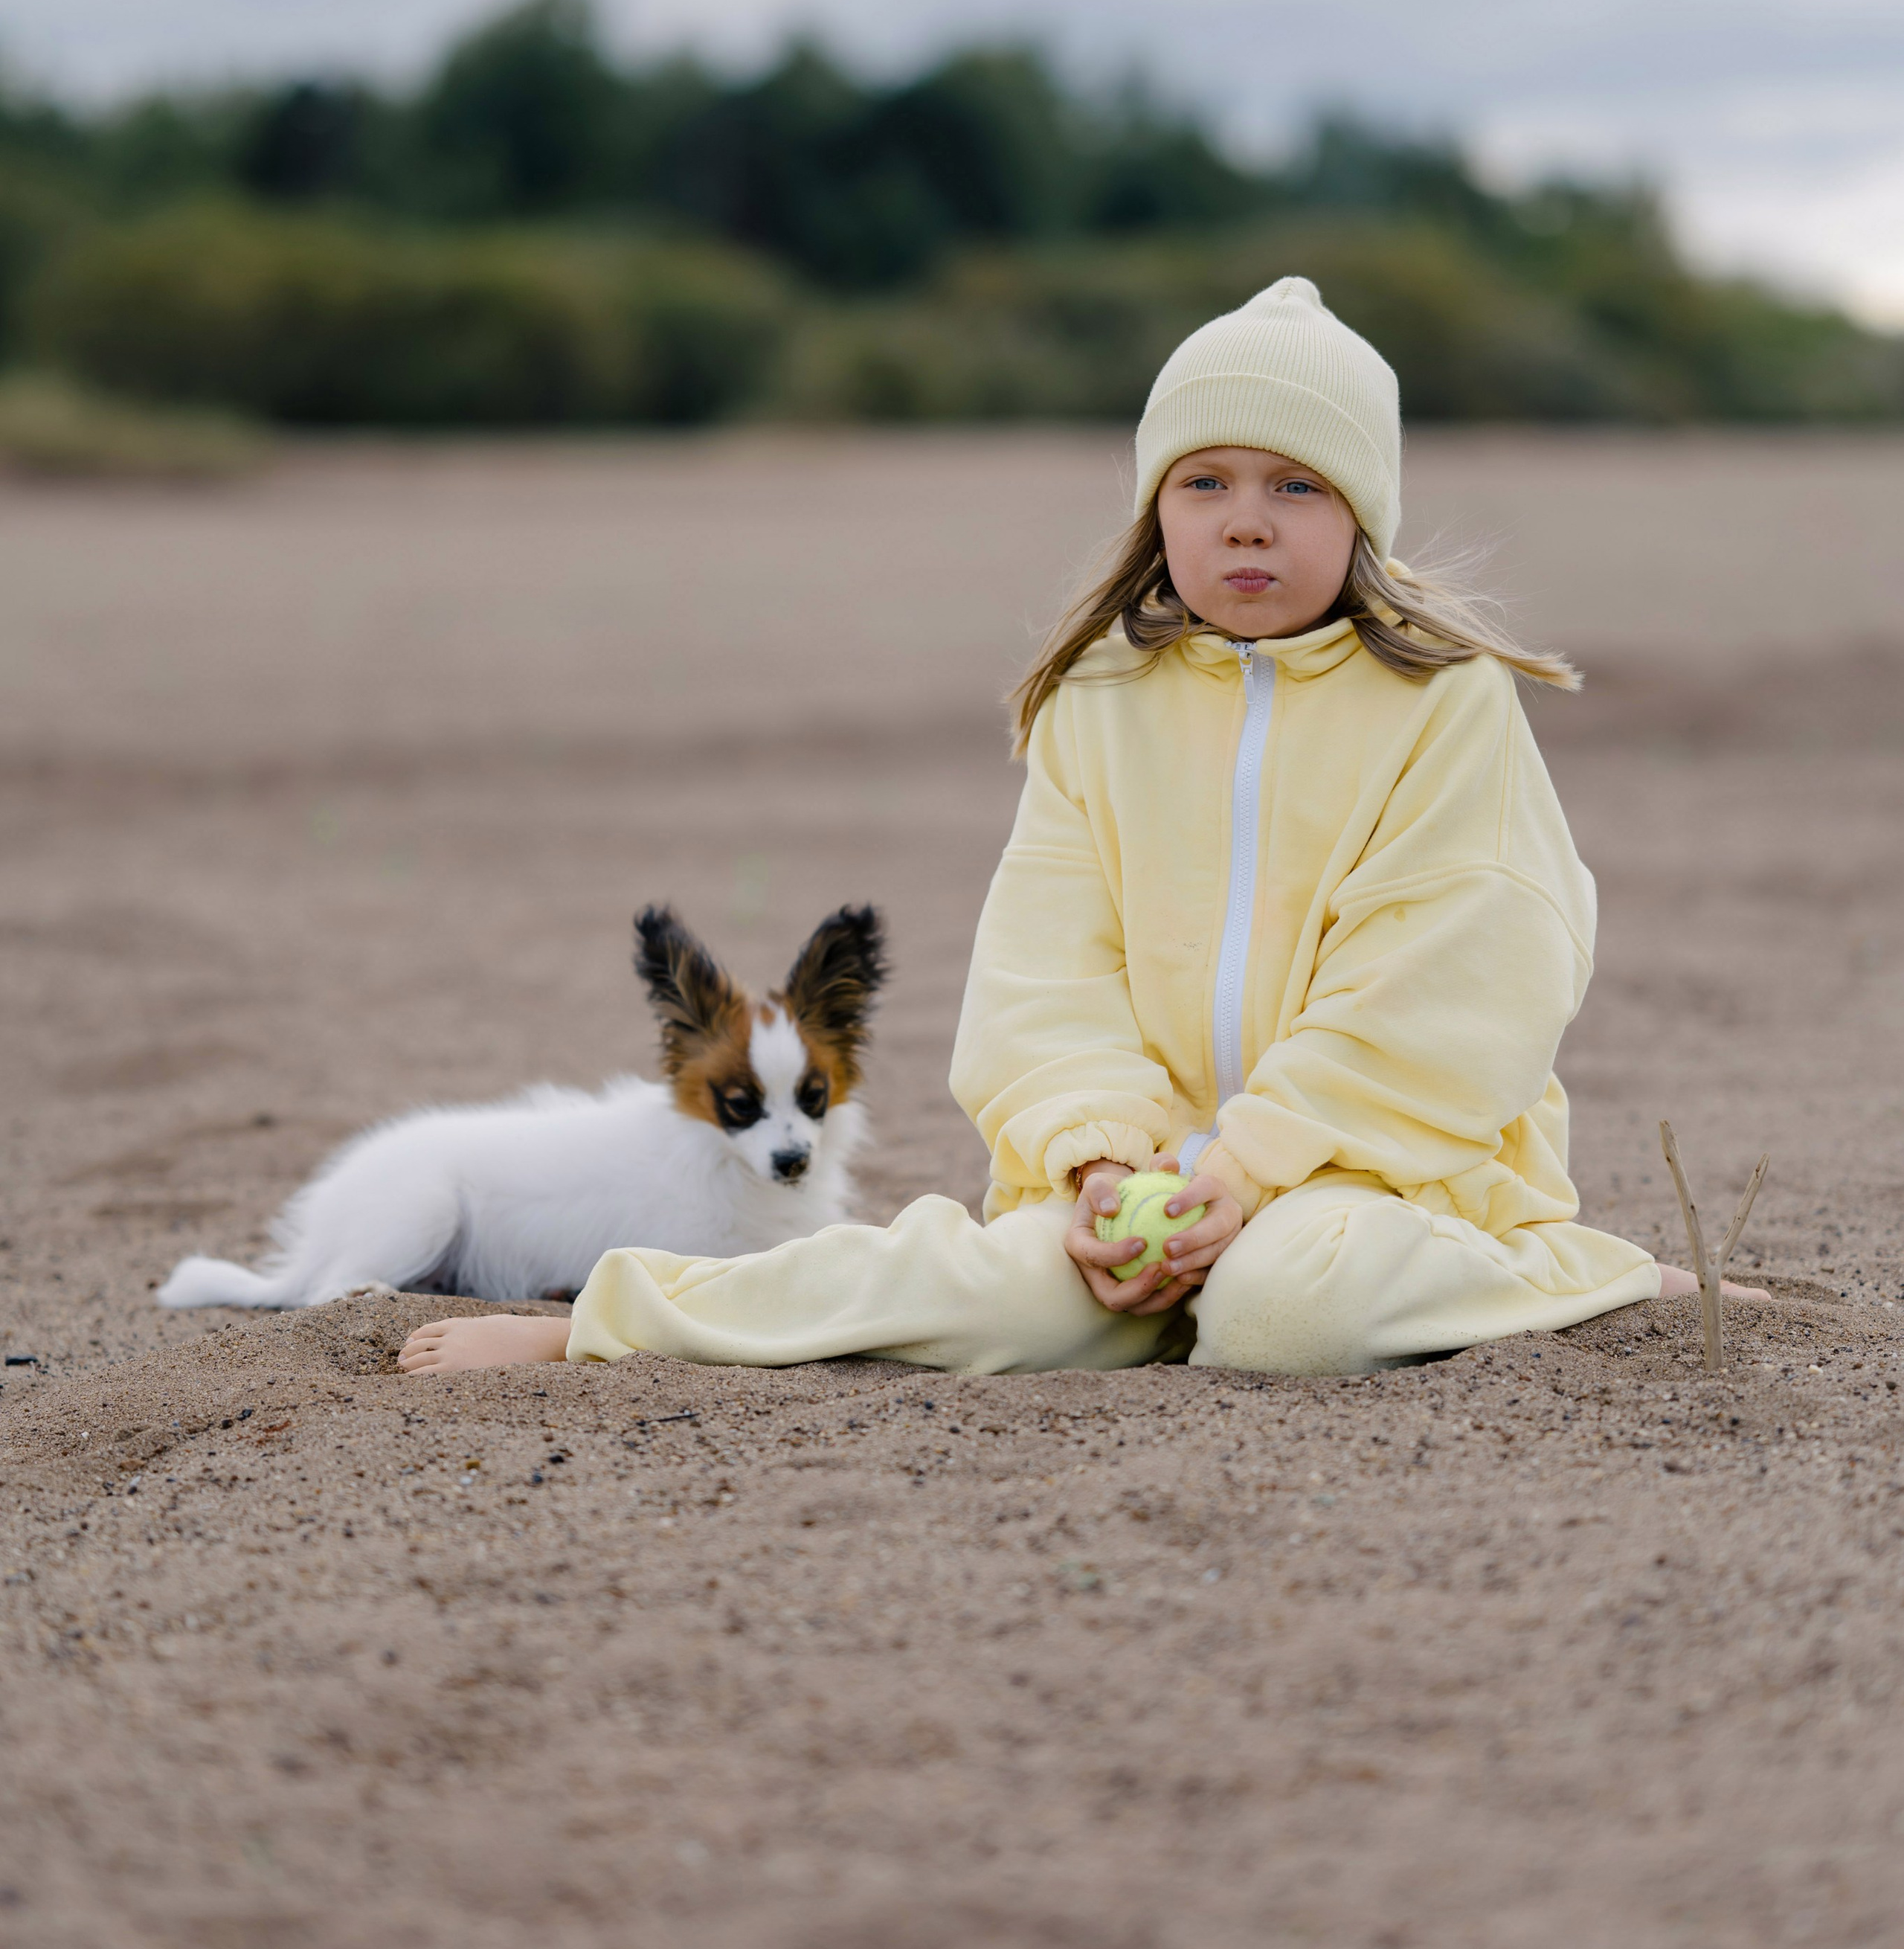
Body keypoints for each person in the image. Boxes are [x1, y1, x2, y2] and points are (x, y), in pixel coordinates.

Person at [399, 276, 1760, 1381]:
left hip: (1377, 1184)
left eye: (1296, 487)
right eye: (1203, 482)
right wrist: (1106, 1167)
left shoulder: (1445, 705)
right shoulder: (1098, 703)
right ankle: (610, 1322)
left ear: (1364, 516)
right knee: (994, 1292)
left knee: (1282, 1317)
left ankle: (1590, 1272)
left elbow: (1464, 976)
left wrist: (1256, 1168)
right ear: (1153, 507)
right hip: (1144, 1187)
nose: (1244, 522)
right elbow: (1046, 974)